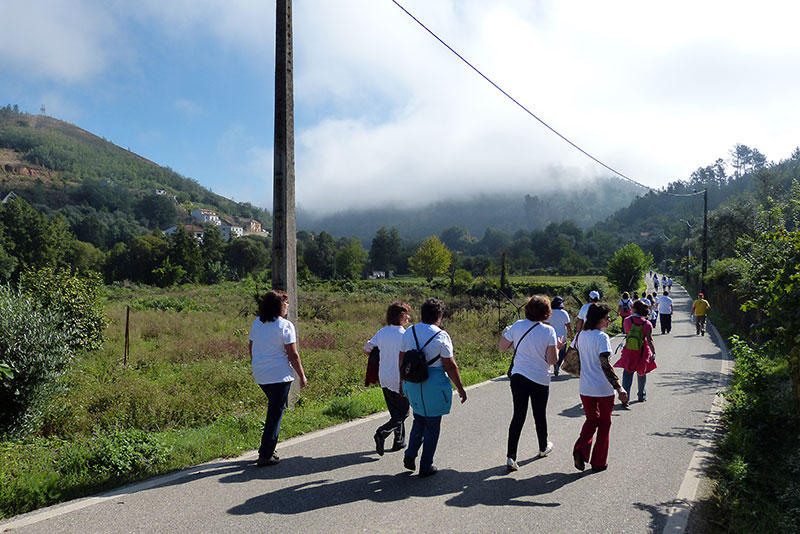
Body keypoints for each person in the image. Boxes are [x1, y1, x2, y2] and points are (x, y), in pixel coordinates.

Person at [399, 298, 467, 477]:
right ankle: (426, 465)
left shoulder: (409, 332)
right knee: (432, 425)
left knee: (419, 419)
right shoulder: (441, 336)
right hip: (434, 384)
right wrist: (459, 388)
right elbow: (450, 366)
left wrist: (402, 382)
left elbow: (402, 359)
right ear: (439, 316)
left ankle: (410, 454)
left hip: (412, 382)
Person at [499, 295, 567, 472]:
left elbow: (502, 346)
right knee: (539, 414)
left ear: (527, 309)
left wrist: (508, 333)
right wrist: (558, 348)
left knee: (518, 415)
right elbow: (551, 360)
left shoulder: (518, 325)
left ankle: (511, 456)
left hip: (519, 376)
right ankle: (543, 446)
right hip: (539, 378)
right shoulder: (548, 331)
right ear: (546, 313)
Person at [249, 290, 308, 467]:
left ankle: (268, 449)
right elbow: (293, 355)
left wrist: (258, 364)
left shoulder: (256, 323)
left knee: (274, 409)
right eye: (285, 303)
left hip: (261, 374)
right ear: (278, 306)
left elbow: (251, 347)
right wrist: (302, 375)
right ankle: (266, 454)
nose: (287, 306)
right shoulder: (285, 325)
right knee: (275, 413)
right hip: (280, 375)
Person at [573, 303, 628, 472]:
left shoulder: (580, 335)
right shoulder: (602, 337)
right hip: (603, 389)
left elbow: (574, 356)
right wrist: (619, 387)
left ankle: (580, 449)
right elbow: (605, 364)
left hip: (585, 388)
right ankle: (598, 461)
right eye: (607, 318)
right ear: (599, 320)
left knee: (591, 420)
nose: (609, 320)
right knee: (604, 424)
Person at [364, 301, 412, 456]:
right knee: (403, 413)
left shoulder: (382, 332)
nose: (409, 317)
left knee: (395, 412)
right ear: (401, 316)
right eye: (407, 314)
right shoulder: (406, 335)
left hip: (384, 377)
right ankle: (382, 433)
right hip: (400, 379)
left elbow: (367, 349)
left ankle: (399, 441)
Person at [613, 300, 657, 403]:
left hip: (629, 351)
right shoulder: (647, 324)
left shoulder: (627, 320)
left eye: (632, 306)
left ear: (635, 309)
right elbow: (649, 340)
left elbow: (627, 332)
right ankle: (641, 396)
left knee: (627, 374)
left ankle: (625, 398)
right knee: (642, 373)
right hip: (642, 352)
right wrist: (653, 352)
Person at [548, 296, 573, 376]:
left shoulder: (549, 313)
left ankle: (552, 365)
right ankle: (557, 365)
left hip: (551, 337)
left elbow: (546, 324)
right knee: (562, 353)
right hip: (562, 337)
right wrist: (571, 336)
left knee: (551, 351)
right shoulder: (564, 313)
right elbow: (568, 326)